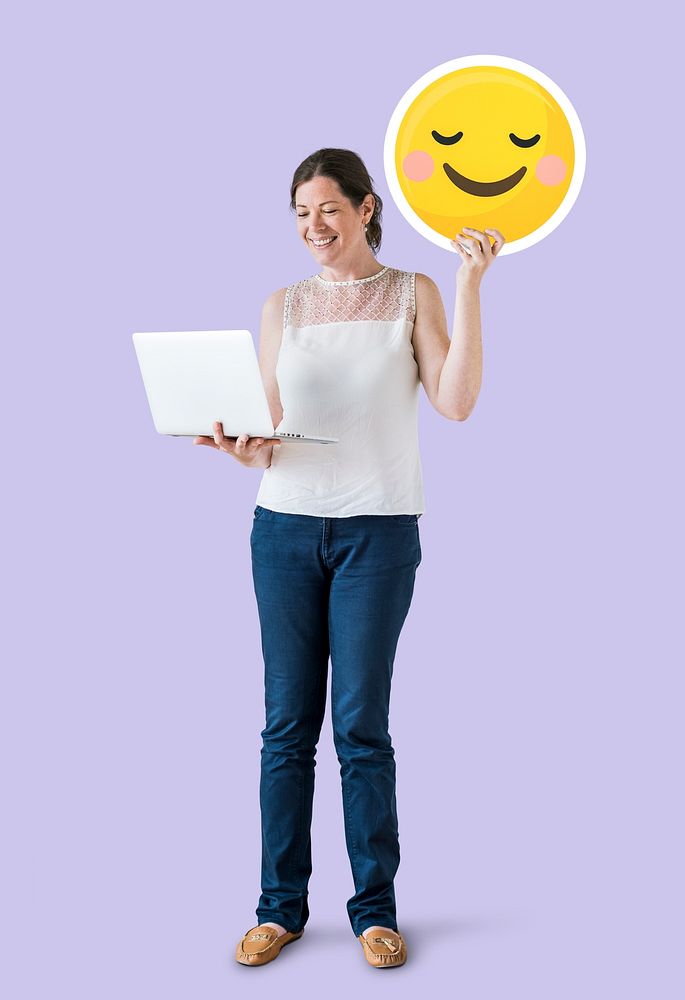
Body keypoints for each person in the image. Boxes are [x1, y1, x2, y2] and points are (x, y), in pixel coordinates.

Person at [193, 148, 504, 968]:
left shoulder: (412, 292)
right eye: (300, 214)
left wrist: (470, 287)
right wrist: (241, 446)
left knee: (361, 729)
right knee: (285, 730)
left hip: (378, 534)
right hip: (284, 530)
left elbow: (456, 402)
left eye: (327, 209)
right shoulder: (282, 306)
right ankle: (278, 908)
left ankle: (374, 911)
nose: (313, 227)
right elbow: (268, 426)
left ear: (365, 209)